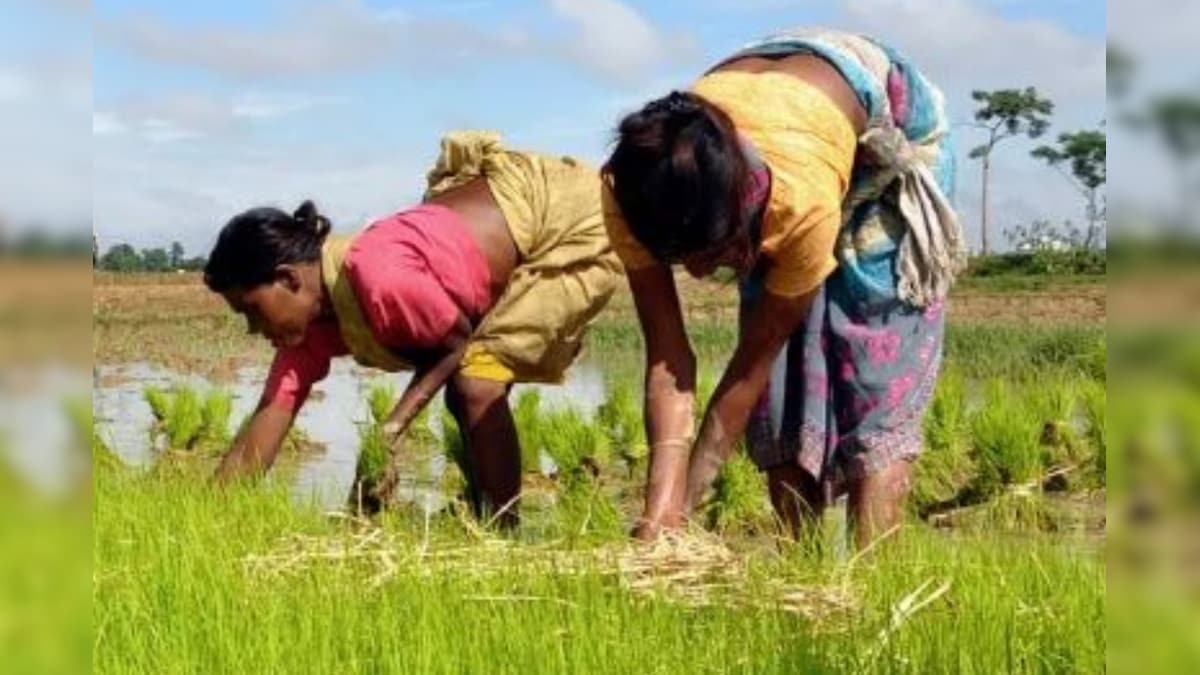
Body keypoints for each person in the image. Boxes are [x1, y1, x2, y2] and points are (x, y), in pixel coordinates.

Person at [603, 29, 967, 546]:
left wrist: (684, 505)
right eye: (682, 260)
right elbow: (667, 361)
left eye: (712, 255)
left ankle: (875, 589)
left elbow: (750, 365)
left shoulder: (797, 203)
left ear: (742, 209)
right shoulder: (633, 192)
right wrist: (662, 516)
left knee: (876, 382)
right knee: (785, 395)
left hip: (883, 134)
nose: (703, 276)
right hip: (777, 125)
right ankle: (801, 568)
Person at [205, 131, 620, 527]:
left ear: (289, 279)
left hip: (565, 217)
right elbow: (257, 438)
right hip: (491, 250)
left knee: (476, 384)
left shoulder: (377, 274)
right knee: (466, 393)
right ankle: (485, 514)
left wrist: (387, 435)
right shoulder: (306, 333)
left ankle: (502, 533)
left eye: (252, 310)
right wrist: (203, 516)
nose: (252, 329)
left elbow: (456, 344)